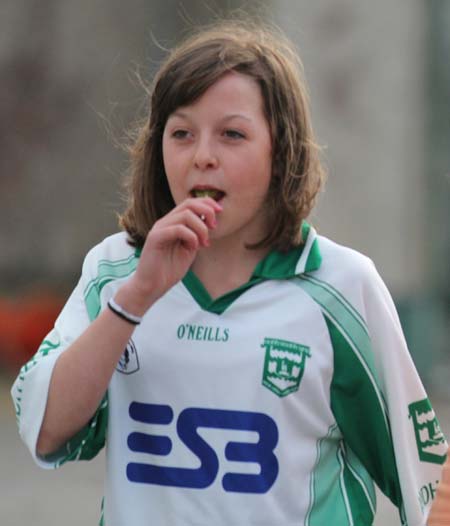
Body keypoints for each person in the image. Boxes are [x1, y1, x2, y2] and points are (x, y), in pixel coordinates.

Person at [11, 19, 447, 526]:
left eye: (232, 135)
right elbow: (45, 433)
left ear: (281, 153)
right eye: (181, 133)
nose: (202, 157)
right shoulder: (115, 272)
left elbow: (427, 484)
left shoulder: (343, 287)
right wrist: (137, 297)